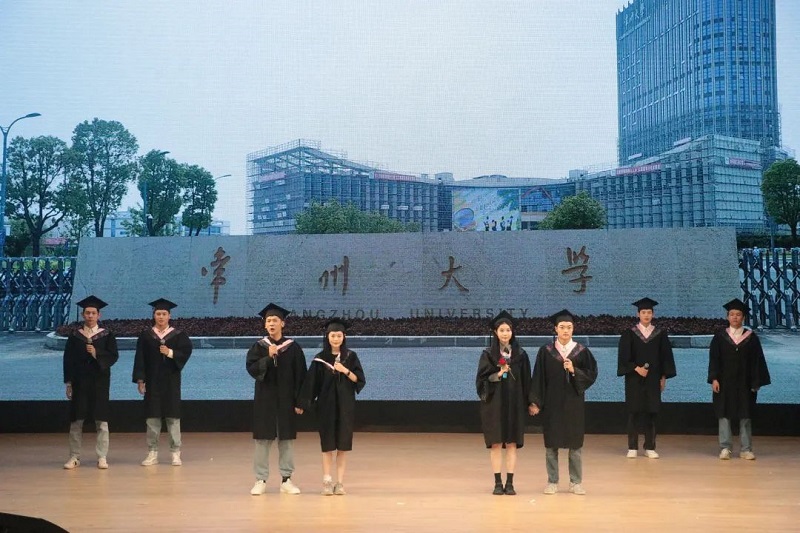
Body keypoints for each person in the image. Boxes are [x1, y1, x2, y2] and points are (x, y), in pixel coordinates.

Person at [529, 309, 598, 496]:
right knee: (551, 444)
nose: (565, 330)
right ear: (556, 329)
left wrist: (574, 370)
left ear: (573, 329)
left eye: (569, 327)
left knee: (575, 445)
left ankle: (576, 482)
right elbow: (538, 378)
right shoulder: (546, 351)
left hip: (574, 404)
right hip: (552, 404)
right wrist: (535, 402)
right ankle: (552, 481)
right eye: (562, 327)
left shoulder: (581, 351)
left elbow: (591, 374)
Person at [299, 318, 366, 496]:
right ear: (327, 337)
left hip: (345, 407)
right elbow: (311, 384)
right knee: (327, 445)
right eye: (332, 335)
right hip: (326, 407)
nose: (336, 339)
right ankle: (327, 481)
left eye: (339, 335)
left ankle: (340, 483)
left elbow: (359, 380)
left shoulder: (351, 357)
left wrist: (345, 370)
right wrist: (302, 403)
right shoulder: (320, 359)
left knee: (343, 446)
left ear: (344, 337)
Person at [246, 303, 307, 496]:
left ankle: (286, 479)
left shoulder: (293, 348)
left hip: (286, 400)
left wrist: (300, 401)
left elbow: (301, 376)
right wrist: (267, 357)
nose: (271, 323)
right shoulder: (259, 347)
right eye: (268, 321)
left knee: (286, 440)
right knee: (262, 440)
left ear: (283, 323)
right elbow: (251, 369)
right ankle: (260, 479)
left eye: (275, 320)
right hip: (265, 400)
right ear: (265, 325)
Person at [475, 311, 532, 496]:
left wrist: (530, 403)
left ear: (512, 332)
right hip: (494, 405)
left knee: (512, 443)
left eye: (508, 330)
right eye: (502, 330)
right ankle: (498, 482)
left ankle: (510, 483)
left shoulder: (521, 355)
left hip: (515, 404)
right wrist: (498, 374)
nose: (505, 333)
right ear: (495, 332)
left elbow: (527, 381)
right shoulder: (488, 355)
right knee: (496, 444)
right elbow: (481, 381)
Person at [132, 298, 193, 467]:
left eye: (164, 314)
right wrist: (140, 379)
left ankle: (175, 452)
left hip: (171, 381)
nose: (161, 317)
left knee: (173, 417)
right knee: (152, 418)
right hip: (152, 382)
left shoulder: (178, 335)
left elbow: (186, 351)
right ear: (154, 315)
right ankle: (152, 452)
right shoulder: (146, 336)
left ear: (169, 316)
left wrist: (170, 352)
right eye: (158, 314)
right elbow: (140, 358)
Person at [708, 298, 771, 460]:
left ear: (743, 317)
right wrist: (714, 378)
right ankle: (725, 448)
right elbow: (714, 359)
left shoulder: (751, 338)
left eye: (738, 314)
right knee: (724, 413)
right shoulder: (720, 337)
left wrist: (756, 382)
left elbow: (757, 361)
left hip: (745, 382)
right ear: (727, 317)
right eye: (732, 314)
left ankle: (746, 449)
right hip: (724, 382)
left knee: (745, 414)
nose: (735, 317)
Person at [62, 295, 119, 470]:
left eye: (93, 313)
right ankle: (74, 456)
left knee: (101, 421)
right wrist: (69, 383)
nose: (90, 316)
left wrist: (96, 353)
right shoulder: (75, 336)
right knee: (76, 421)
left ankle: (102, 457)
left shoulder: (107, 335)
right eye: (87, 313)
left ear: (99, 315)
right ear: (82, 315)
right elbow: (68, 360)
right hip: (79, 383)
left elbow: (113, 356)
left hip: (99, 382)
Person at [617, 297, 677, 459]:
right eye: (643, 312)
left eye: (649, 312)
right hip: (634, 379)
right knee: (634, 412)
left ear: (653, 314)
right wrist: (636, 368)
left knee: (651, 412)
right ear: (638, 314)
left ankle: (650, 446)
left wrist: (663, 377)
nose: (646, 315)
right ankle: (632, 447)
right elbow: (623, 358)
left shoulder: (660, 334)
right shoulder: (629, 334)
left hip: (653, 379)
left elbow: (665, 358)